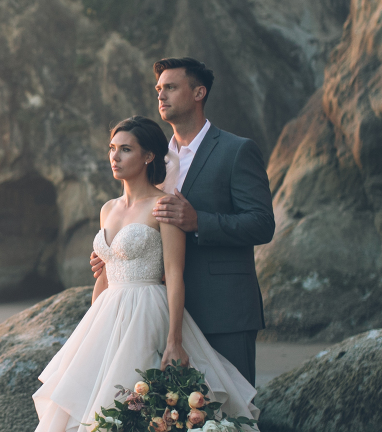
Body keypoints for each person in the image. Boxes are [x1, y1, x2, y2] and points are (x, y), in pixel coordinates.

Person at [0, 115, 382, 432]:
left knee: (140, 427)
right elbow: (104, 282)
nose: (114, 156)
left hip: (151, 314)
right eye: (111, 147)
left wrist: (174, 340)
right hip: (107, 322)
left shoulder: (164, 207)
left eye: (124, 148)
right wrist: (98, 279)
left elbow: (175, 276)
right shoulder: (106, 210)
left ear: (147, 156)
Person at [90, 57, 272, 384]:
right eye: (159, 89)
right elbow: (142, 222)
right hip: (158, 314)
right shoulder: (154, 161)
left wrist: (199, 221)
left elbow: (261, 223)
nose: (161, 95)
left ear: (199, 92)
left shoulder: (237, 151)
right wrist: (114, 253)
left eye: (171, 88)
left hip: (222, 309)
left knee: (231, 411)